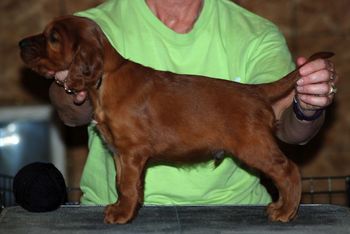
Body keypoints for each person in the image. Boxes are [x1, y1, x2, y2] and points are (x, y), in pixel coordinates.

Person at [49, 0, 338, 206]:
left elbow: (285, 125)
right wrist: (72, 84)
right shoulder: (95, 26)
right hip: (106, 208)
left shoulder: (256, 33)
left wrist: (307, 106)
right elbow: (71, 115)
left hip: (232, 211)